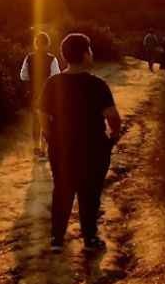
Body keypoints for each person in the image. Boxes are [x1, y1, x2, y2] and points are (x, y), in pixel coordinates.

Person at [39, 33, 122, 253]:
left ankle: (57, 239)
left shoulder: (52, 83)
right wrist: (111, 139)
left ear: (64, 56)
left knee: (62, 190)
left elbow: (43, 117)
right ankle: (90, 238)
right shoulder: (97, 85)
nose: (92, 54)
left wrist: (51, 139)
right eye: (90, 50)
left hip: (61, 148)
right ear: (85, 55)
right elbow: (113, 118)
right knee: (90, 193)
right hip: (93, 149)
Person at [20, 32, 60, 158]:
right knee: (46, 122)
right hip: (48, 95)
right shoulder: (52, 59)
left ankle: (36, 148)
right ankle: (43, 149)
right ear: (48, 44)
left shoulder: (29, 57)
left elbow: (23, 76)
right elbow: (56, 77)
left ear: (36, 44)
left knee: (36, 122)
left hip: (34, 94)